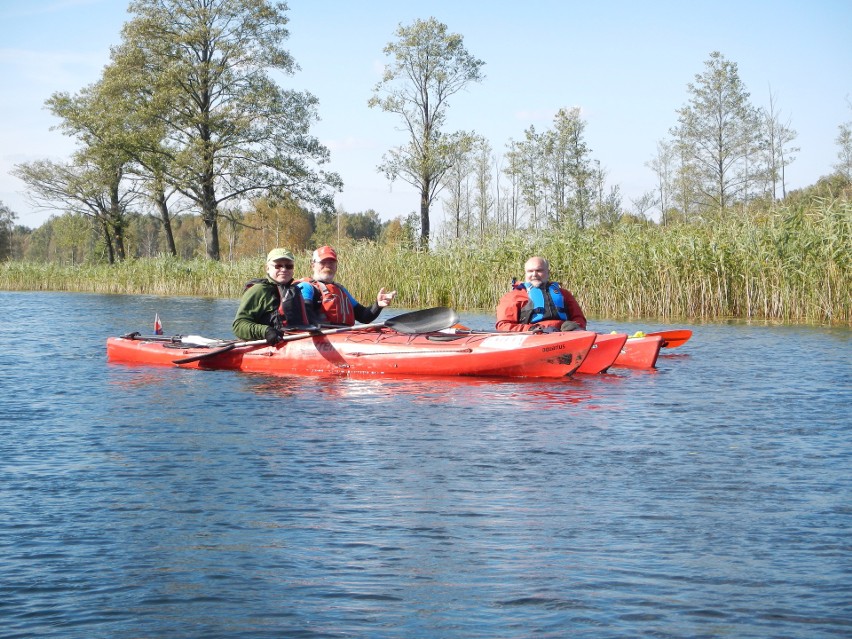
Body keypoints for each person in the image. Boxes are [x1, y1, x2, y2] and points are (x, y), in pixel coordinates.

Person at [297, 245, 397, 326]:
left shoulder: (341, 290)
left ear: (336, 267)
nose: (328, 266)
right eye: (323, 262)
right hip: (320, 337)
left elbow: (363, 316)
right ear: (313, 265)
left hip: (341, 335)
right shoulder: (306, 287)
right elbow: (305, 313)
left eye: (331, 262)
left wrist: (378, 305)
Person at [232, 248, 312, 344]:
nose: (284, 269)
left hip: (295, 343)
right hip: (267, 347)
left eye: (288, 266)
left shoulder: (295, 290)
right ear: (267, 268)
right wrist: (266, 331)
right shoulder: (259, 290)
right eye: (278, 266)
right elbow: (238, 325)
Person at [495, 256, 587, 333]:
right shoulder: (513, 297)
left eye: (539, 270)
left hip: (563, 334)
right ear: (525, 273)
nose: (534, 274)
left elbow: (579, 318)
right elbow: (503, 326)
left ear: (548, 273)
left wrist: (575, 326)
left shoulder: (564, 294)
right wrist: (531, 329)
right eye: (530, 271)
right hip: (533, 335)